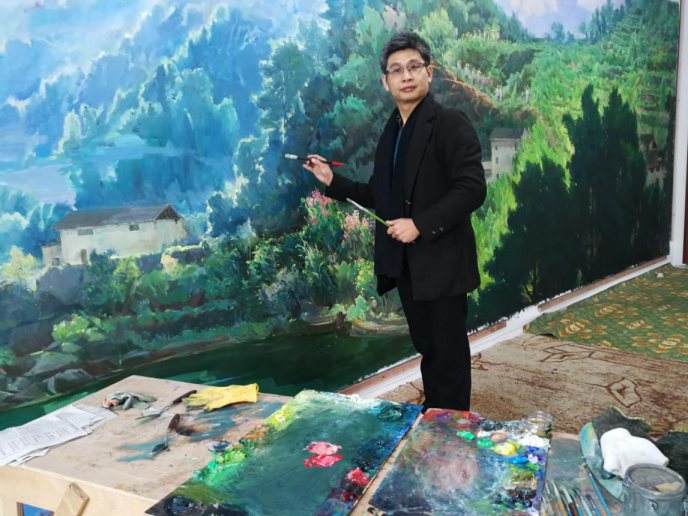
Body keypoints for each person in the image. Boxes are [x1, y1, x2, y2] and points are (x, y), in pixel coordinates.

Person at [303, 32, 486, 411]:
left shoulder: (450, 123)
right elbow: (380, 195)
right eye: (396, 70)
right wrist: (332, 181)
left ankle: (451, 429)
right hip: (407, 265)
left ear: (429, 73)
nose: (406, 76)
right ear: (385, 82)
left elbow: (472, 189)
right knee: (429, 349)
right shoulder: (392, 133)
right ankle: (436, 415)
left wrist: (419, 224)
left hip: (442, 261)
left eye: (414, 67)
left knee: (448, 355)